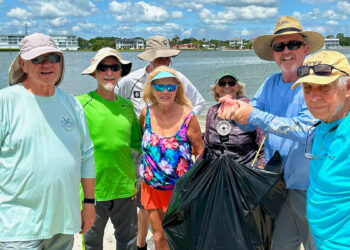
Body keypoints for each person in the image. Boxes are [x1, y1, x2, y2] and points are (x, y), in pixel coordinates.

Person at [217, 16, 324, 250]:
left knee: (316, 245)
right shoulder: (270, 82)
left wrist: (254, 115)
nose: (286, 51)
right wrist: (234, 110)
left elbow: (306, 129)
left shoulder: (314, 83)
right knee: (279, 245)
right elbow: (249, 123)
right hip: (276, 183)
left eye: (293, 44)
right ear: (274, 53)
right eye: (279, 46)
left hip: (310, 187)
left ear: (305, 49)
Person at [0, 33, 95, 250]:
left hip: (64, 222)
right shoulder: (5, 101)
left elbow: (87, 155)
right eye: (37, 59)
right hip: (17, 226)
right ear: (23, 64)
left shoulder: (71, 103)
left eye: (53, 58)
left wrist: (89, 203)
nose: (46, 64)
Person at [116, 35, 205, 250]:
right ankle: (139, 244)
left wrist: (181, 121)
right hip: (145, 151)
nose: (164, 62)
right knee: (151, 225)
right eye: (159, 58)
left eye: (167, 58)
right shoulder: (131, 80)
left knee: (180, 232)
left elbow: (200, 103)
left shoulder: (178, 78)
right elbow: (118, 106)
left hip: (178, 175)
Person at [77, 47, 142, 250]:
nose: (109, 73)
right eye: (103, 67)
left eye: (114, 67)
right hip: (92, 191)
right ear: (94, 73)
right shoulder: (79, 104)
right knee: (91, 243)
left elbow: (137, 145)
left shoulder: (127, 106)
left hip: (125, 187)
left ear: (120, 72)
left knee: (129, 241)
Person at [139, 65, 203, 250]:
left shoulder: (188, 117)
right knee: (159, 237)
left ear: (178, 88)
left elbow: (199, 152)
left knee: (181, 238)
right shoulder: (146, 114)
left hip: (180, 191)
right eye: (159, 86)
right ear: (152, 89)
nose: (165, 91)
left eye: (170, 87)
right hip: (151, 188)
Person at [291, 51, 350, 249]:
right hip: (320, 239)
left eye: (324, 88)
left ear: (348, 87)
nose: (314, 97)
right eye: (307, 88)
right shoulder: (324, 122)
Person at [204, 69, 265, 168]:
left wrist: (260, 168)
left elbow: (263, 143)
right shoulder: (212, 111)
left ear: (237, 87)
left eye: (231, 83)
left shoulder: (248, 107)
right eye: (222, 83)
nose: (227, 86)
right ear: (216, 89)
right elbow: (207, 145)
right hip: (218, 170)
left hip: (245, 169)